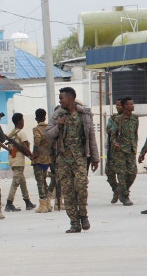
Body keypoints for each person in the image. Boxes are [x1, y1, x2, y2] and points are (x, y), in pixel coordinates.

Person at [46, 87, 99, 233]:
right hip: (63, 160)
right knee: (67, 192)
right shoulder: (57, 115)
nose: (59, 100)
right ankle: (74, 223)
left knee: (81, 187)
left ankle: (83, 215)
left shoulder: (84, 114)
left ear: (70, 98)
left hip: (80, 158)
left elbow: (91, 136)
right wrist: (59, 126)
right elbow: (48, 135)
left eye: (61, 98)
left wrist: (95, 158)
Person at [107, 97, 138, 206]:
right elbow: (112, 134)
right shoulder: (118, 119)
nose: (133, 106)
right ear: (125, 106)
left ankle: (120, 190)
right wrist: (115, 143)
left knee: (133, 173)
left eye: (133, 104)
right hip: (119, 150)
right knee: (121, 174)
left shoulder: (135, 118)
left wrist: (135, 146)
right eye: (130, 104)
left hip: (131, 150)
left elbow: (135, 134)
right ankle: (125, 196)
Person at [5, 113, 35, 212]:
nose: (24, 122)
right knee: (16, 182)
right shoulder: (22, 133)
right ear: (20, 121)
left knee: (22, 181)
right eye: (23, 120)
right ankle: (9, 203)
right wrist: (32, 156)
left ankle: (27, 202)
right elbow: (25, 147)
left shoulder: (12, 133)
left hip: (12, 160)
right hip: (18, 160)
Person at [31, 109, 52, 213]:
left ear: (36, 118)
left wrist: (34, 154)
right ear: (45, 117)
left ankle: (43, 205)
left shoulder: (36, 129)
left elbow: (37, 141)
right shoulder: (49, 128)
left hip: (39, 159)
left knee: (40, 181)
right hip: (48, 158)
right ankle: (48, 203)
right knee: (44, 180)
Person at [105, 99, 123, 203]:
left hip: (125, 151)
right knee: (109, 172)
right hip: (113, 150)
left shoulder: (132, 118)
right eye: (116, 105)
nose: (117, 107)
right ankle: (116, 190)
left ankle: (123, 193)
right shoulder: (113, 118)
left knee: (125, 174)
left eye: (120, 105)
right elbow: (109, 129)